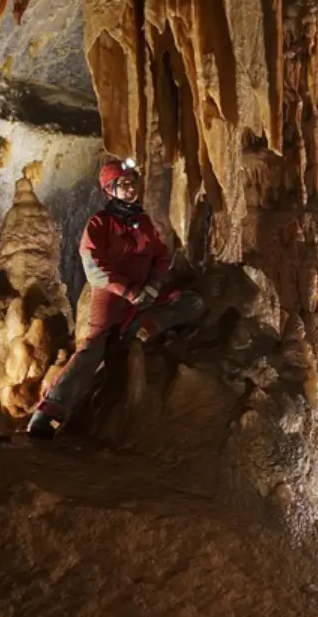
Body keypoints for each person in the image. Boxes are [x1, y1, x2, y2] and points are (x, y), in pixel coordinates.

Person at [26, 159, 204, 439]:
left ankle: (141, 328)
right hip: (112, 298)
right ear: (110, 189)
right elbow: (95, 268)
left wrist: (155, 285)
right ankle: (48, 412)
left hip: (145, 295)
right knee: (93, 349)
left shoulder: (143, 222)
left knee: (192, 303)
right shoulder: (99, 224)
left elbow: (160, 256)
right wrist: (128, 291)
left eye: (132, 182)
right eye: (124, 184)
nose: (131, 188)